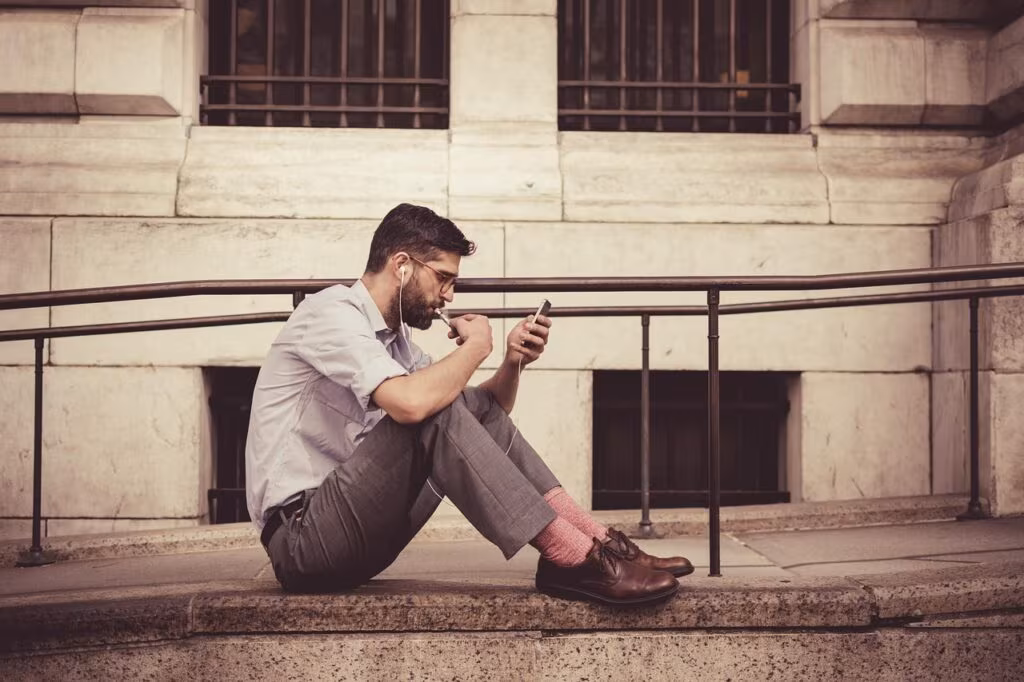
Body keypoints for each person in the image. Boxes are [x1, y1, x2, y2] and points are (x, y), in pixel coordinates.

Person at [245, 203, 693, 606]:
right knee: (429, 407)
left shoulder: (396, 342)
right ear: (401, 265)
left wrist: (512, 361)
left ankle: (599, 544)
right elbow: (411, 406)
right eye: (443, 278)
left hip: (360, 535)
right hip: (303, 540)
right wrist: (476, 347)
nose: (449, 296)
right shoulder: (330, 314)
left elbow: (483, 411)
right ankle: (571, 557)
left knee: (455, 402)